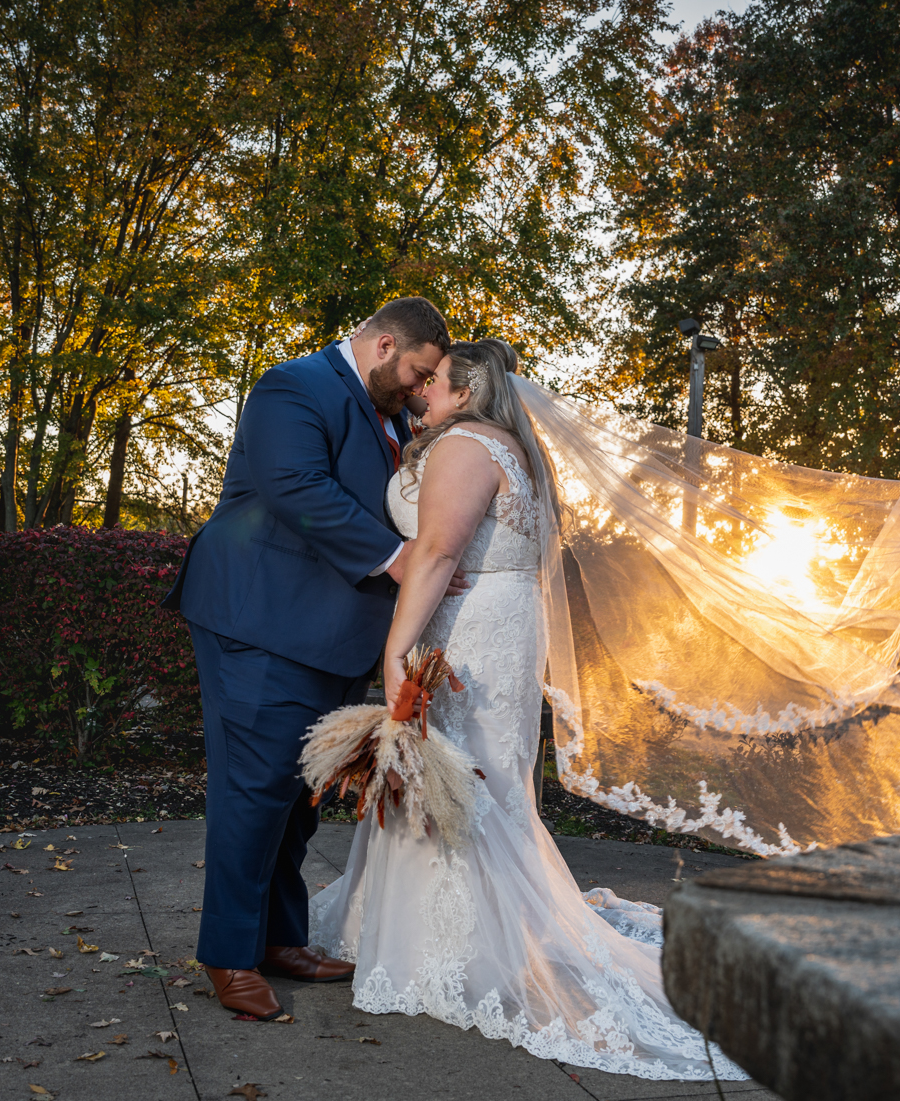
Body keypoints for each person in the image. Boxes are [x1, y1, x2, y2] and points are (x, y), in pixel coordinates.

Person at [308, 339, 746, 1080]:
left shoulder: (465, 446)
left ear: (469, 390)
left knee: (454, 775)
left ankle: (451, 948)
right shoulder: (516, 449)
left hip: (468, 626)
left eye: (438, 381)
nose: (425, 390)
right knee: (487, 778)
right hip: (502, 625)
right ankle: (459, 926)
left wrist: (395, 651)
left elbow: (440, 552)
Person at [162, 296, 467, 1020]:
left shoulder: (389, 412)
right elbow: (297, 486)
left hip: (329, 634)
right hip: (261, 621)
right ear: (384, 343)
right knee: (255, 787)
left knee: (300, 795)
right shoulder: (292, 386)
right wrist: (399, 559)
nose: (420, 390)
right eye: (419, 373)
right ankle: (229, 954)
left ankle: (279, 937)